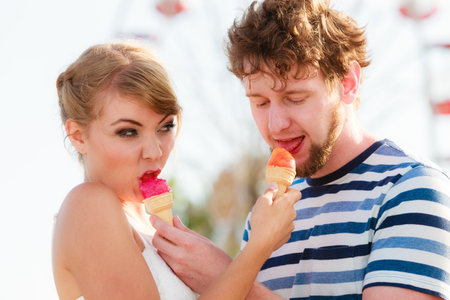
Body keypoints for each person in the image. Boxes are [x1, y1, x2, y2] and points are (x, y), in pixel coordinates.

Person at [150, 0, 450, 299]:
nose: (276, 124)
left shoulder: (411, 189)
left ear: (347, 83)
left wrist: (229, 277)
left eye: (295, 98)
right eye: (260, 102)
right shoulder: (269, 211)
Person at [51, 41, 301, 300]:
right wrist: (257, 248)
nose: (155, 151)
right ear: (78, 136)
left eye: (165, 127)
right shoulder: (88, 205)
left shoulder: (151, 227)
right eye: (128, 132)